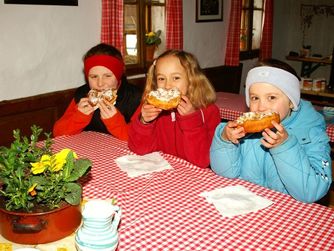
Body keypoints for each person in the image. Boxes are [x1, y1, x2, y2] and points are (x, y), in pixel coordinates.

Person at [210, 58, 332, 203]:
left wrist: (285, 146)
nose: (261, 107)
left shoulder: (311, 133)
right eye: (255, 98)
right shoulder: (246, 131)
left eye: (272, 97)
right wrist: (225, 140)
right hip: (246, 205)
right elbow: (224, 173)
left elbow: (312, 191)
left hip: (290, 213)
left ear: (291, 102)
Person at [128, 50, 221, 168]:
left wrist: (191, 119)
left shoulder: (209, 111)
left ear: (192, 80)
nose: (167, 86)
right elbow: (139, 149)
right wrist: (144, 122)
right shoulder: (149, 107)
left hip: (195, 178)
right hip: (162, 173)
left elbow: (203, 161)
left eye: (176, 78)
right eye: (161, 78)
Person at [53, 43, 142, 141]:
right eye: (94, 77)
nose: (100, 84)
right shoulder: (82, 94)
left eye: (107, 76)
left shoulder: (136, 98)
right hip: (88, 150)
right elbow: (58, 132)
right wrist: (79, 116)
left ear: (118, 76)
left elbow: (139, 138)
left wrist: (114, 121)